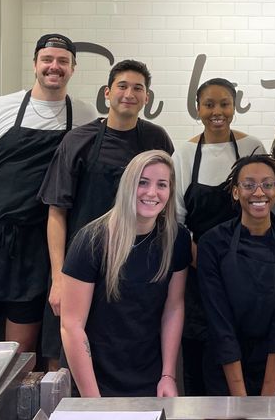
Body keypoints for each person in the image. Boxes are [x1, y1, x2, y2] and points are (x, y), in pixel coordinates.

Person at [0, 33, 96, 353]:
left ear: (73, 68)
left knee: (21, 356)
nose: (54, 66)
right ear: (35, 64)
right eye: (47, 59)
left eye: (62, 61)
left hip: (38, 247)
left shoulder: (85, 118)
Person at [39, 60, 174, 367]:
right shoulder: (78, 140)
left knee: (126, 350)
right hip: (80, 265)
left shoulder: (157, 140)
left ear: (147, 98)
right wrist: (59, 276)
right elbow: (57, 213)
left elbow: (163, 204)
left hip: (135, 265)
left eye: (138, 88)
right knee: (67, 347)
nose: (129, 94)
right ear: (107, 93)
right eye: (122, 86)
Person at [61, 150, 189, 397]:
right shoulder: (91, 239)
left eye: (162, 185)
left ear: (170, 192)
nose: (152, 193)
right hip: (93, 379)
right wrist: (93, 401)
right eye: (143, 182)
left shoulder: (177, 238)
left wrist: (168, 375)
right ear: (128, 185)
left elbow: (173, 307)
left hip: (148, 377)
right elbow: (71, 326)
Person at [172, 77, 265, 395]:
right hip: (198, 272)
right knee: (200, 361)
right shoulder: (184, 154)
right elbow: (176, 217)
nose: (217, 111)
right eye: (209, 104)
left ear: (234, 106)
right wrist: (204, 259)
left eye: (224, 103)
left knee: (246, 352)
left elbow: (262, 202)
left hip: (247, 268)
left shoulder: (252, 147)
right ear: (197, 108)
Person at [198, 154, 275, 396]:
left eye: (267, 184)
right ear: (236, 192)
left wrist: (265, 400)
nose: (259, 192)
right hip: (224, 364)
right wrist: (240, 399)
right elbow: (220, 321)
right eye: (249, 185)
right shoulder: (213, 242)